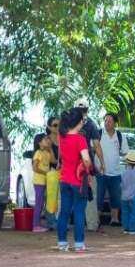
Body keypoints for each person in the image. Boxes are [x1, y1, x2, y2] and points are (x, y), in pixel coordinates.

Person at [57, 108, 93, 252]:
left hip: (64, 179)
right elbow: (86, 160)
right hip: (78, 182)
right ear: (80, 122)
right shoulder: (80, 139)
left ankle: (62, 243)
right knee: (79, 213)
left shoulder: (61, 136)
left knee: (64, 212)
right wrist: (88, 164)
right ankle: (79, 244)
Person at [74, 99, 105, 233]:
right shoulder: (91, 124)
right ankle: (92, 224)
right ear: (88, 110)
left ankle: (62, 223)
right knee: (90, 195)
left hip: (70, 164)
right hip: (86, 164)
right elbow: (97, 145)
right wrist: (102, 163)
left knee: (67, 195)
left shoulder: (67, 123)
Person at [96, 112, 129, 227]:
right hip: (100, 172)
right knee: (98, 197)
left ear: (115, 123)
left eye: (109, 121)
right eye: (105, 120)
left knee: (115, 198)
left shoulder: (120, 136)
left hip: (116, 173)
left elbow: (125, 153)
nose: (106, 123)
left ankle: (114, 219)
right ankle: (96, 220)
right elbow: (91, 149)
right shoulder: (98, 134)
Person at [31, 133, 55, 232]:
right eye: (46, 139)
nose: (48, 140)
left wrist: (51, 149)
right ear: (40, 143)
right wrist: (46, 173)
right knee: (39, 203)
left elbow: (54, 161)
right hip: (39, 181)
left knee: (44, 203)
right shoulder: (38, 153)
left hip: (46, 181)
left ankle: (38, 224)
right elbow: (34, 167)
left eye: (49, 139)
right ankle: (36, 225)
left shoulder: (46, 153)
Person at [120, 151, 135, 234]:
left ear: (127, 162)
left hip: (124, 196)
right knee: (134, 212)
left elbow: (121, 185)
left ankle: (125, 228)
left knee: (125, 212)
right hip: (134, 195)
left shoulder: (124, 173)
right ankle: (132, 228)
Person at [44, 117, 60, 230]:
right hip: (51, 172)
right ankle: (51, 223)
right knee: (51, 198)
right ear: (49, 126)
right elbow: (52, 160)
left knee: (63, 198)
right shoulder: (46, 140)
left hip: (63, 171)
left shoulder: (63, 138)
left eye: (59, 125)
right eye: (55, 125)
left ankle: (62, 222)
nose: (57, 127)